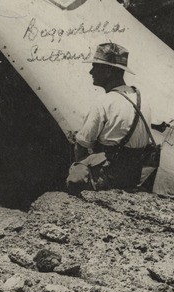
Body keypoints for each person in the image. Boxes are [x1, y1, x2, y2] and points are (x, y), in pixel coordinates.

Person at [66, 42, 157, 193]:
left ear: (108, 71)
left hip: (109, 176)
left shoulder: (104, 102)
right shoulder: (142, 100)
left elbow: (82, 145)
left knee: (76, 172)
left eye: (95, 66)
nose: (91, 72)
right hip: (134, 176)